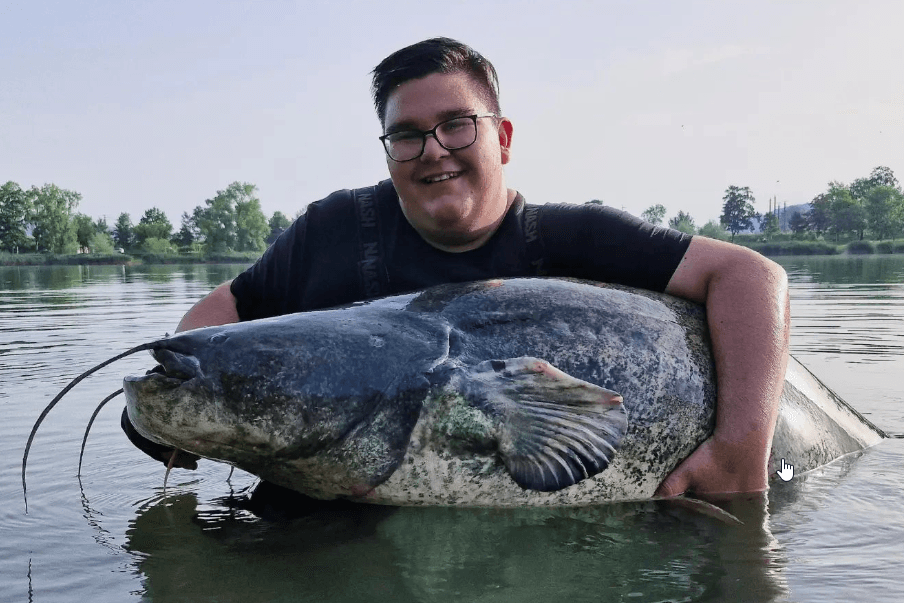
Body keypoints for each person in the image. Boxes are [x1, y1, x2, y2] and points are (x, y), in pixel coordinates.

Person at [123, 37, 790, 499]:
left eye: (456, 125)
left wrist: (738, 449)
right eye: (407, 134)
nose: (432, 149)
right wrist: (190, 406)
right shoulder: (334, 230)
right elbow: (220, 316)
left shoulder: (575, 234)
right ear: (387, 150)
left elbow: (752, 278)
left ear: (501, 136)